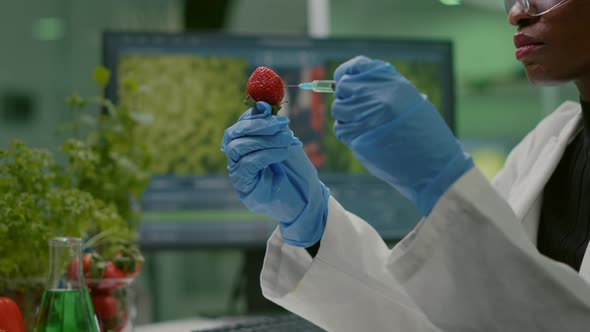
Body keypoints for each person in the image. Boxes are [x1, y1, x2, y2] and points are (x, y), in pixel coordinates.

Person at [220, 0, 590, 330]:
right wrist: (311, 226)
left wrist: (446, 188)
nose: (516, 12)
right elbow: (447, 318)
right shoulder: (548, 145)